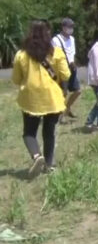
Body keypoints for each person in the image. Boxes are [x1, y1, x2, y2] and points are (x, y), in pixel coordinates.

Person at [13, 20, 71, 176]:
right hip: (52, 98)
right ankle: (49, 165)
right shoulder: (56, 52)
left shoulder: (21, 55)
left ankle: (37, 156)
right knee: (49, 132)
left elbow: (16, 79)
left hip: (30, 99)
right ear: (47, 34)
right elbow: (66, 74)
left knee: (29, 133)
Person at [51, 17, 81, 118]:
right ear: (63, 27)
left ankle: (67, 108)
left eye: (72, 27)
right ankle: (60, 115)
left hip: (71, 66)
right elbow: (57, 55)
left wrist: (73, 63)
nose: (71, 29)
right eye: (69, 27)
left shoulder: (72, 39)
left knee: (77, 91)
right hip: (61, 68)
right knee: (63, 92)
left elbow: (72, 52)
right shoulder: (56, 40)